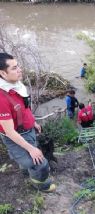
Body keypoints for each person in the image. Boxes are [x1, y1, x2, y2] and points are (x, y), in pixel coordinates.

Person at [0, 52, 56, 192]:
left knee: (31, 159)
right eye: (14, 68)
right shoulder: (2, 98)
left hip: (27, 130)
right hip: (15, 136)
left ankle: (28, 172)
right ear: (3, 73)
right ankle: (42, 185)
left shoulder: (17, 86)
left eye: (18, 66)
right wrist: (31, 149)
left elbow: (25, 109)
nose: (19, 70)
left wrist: (33, 122)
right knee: (39, 163)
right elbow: (9, 132)